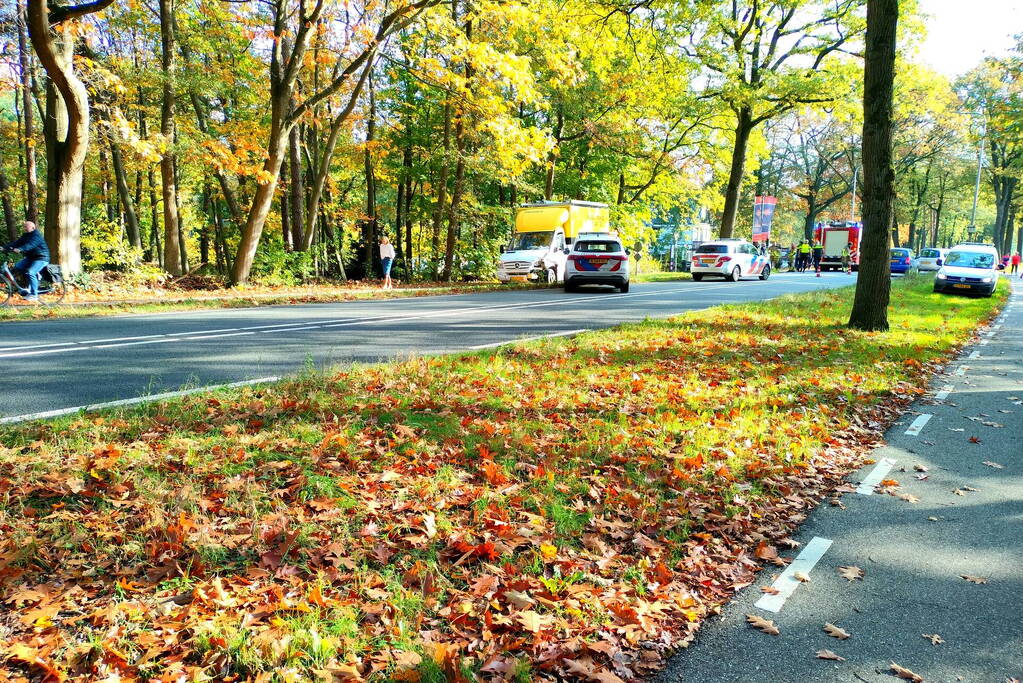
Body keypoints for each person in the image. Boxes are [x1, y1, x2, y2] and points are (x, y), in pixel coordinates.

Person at [3, 220, 50, 302]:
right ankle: (29, 285)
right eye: (24, 226)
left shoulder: (36, 236)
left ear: (33, 227)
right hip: (31, 258)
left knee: (31, 272)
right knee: (17, 267)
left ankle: (34, 294)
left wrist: (21, 249)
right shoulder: (26, 235)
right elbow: (16, 243)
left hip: (41, 258)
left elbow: (31, 245)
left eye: (26, 226)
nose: (24, 228)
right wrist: (4, 248)